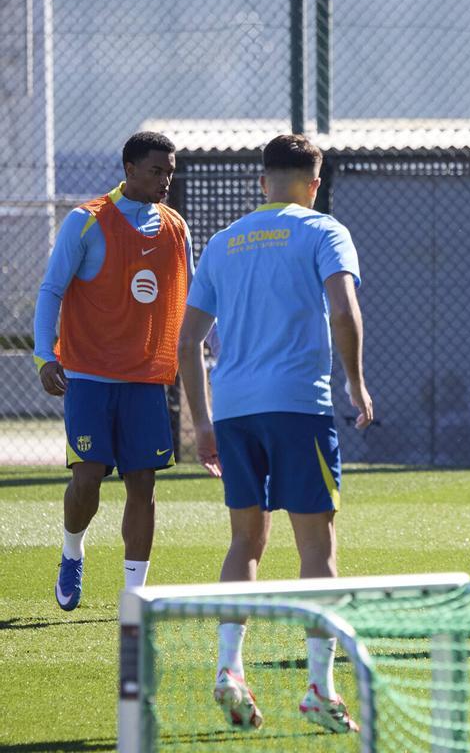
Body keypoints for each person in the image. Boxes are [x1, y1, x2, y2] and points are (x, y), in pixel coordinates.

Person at [177, 134, 372, 732]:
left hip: (234, 411)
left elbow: (187, 341)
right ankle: (320, 688)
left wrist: (203, 422)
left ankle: (229, 669)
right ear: (316, 185)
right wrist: (357, 384)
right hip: (297, 407)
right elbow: (343, 310)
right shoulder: (323, 230)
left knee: (245, 541)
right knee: (316, 548)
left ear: (262, 182)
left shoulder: (224, 241)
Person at [33, 131, 195, 612]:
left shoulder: (176, 227)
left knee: (143, 484)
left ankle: (133, 594)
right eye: (156, 171)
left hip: (145, 379)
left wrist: (207, 355)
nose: (166, 180)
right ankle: (72, 551)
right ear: (128, 169)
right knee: (88, 479)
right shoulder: (86, 222)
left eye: (170, 171)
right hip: (87, 376)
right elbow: (50, 291)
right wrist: (46, 356)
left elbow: (194, 300)